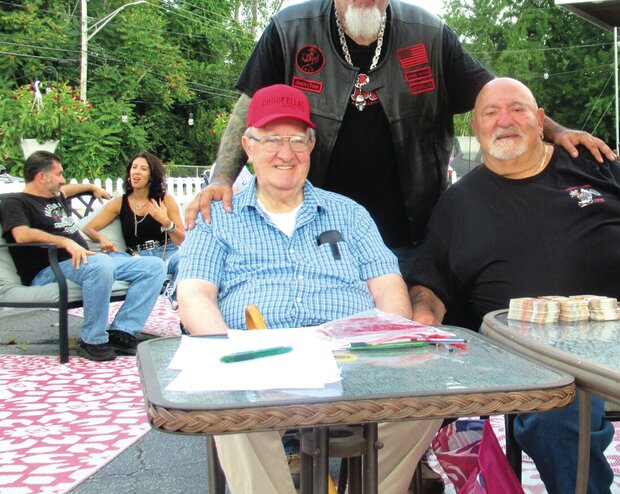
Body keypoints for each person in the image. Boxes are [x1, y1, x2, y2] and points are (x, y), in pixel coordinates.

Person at [185, 0, 615, 276]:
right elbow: (250, 106)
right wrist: (222, 179)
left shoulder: (429, 34)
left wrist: (553, 130)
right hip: (314, 231)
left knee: (402, 347)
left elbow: (494, 95)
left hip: (412, 234)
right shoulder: (290, 30)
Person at [407, 78, 620, 494]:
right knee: (555, 417)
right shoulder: (459, 203)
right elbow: (430, 284)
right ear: (476, 128)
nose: (505, 121)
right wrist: (424, 324)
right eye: (491, 113)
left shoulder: (594, 165)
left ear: (539, 119)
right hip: (539, 353)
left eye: (517, 109)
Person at [176, 84, 441, 494]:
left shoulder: (349, 213)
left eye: (297, 139)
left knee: (427, 395)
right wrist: (226, 351)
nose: (286, 153)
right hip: (257, 359)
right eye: (272, 139)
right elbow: (194, 294)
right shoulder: (218, 217)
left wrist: (389, 341)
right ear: (248, 145)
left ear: (312, 144)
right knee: (230, 408)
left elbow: (389, 286)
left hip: (350, 359)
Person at [0, 151, 167, 362]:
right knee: (101, 264)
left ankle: (122, 331)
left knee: (155, 266)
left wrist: (91, 187)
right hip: (50, 268)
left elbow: (69, 189)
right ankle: (92, 340)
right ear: (41, 177)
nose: (63, 180)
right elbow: (21, 234)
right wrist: (65, 242)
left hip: (84, 261)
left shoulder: (54, 196)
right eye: (59, 174)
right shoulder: (15, 202)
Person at [83, 151, 184, 278]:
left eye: (143, 169)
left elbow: (182, 240)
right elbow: (88, 228)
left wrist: (166, 222)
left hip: (167, 253)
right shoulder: (120, 202)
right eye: (134, 167)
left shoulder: (165, 200)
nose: (136, 172)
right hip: (138, 258)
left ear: (152, 176)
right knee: (113, 259)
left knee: (185, 259)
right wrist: (101, 238)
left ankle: (172, 294)